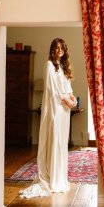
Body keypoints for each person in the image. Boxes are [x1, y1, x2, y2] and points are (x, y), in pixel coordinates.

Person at [20, 38, 77, 198]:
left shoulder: (64, 67)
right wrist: (66, 100)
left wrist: (72, 99)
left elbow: (68, 87)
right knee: (55, 140)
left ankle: (60, 177)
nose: (59, 50)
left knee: (61, 143)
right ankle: (52, 178)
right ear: (53, 49)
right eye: (57, 48)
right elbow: (52, 89)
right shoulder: (49, 65)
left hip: (65, 109)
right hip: (56, 108)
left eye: (62, 48)